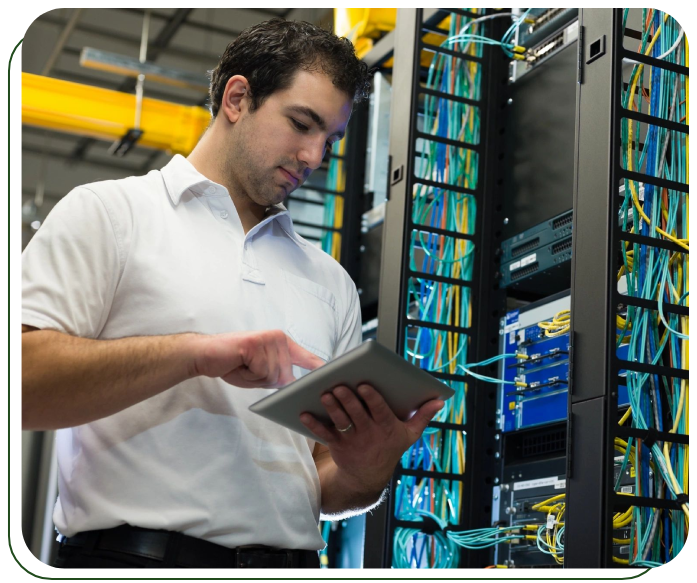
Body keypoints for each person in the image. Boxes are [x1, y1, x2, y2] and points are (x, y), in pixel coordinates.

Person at [21, 18, 444, 570]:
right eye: (301, 123)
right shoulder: (111, 213)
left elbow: (320, 483)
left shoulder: (330, 282)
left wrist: (366, 468)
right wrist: (196, 354)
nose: (315, 156)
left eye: (331, 139)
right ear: (238, 98)